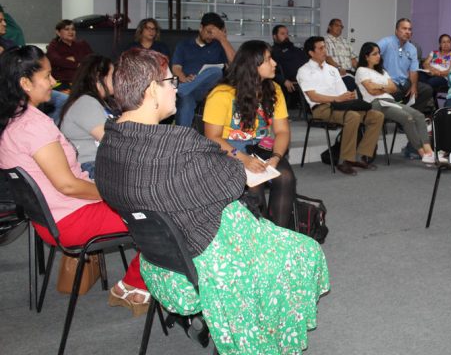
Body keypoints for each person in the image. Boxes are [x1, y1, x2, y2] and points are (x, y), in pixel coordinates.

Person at [95, 48, 329, 354]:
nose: (176, 90)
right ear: (152, 89)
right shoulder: (177, 145)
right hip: (206, 257)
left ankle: (249, 323)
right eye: (171, 82)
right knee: (305, 252)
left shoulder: (110, 143)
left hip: (160, 259)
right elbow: (233, 180)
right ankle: (267, 336)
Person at [0, 46, 149, 315]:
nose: (53, 82)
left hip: (56, 217)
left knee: (149, 204)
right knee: (159, 214)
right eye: (46, 76)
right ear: (25, 83)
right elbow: (67, 185)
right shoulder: (32, 127)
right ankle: (133, 286)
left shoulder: (17, 121)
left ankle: (139, 283)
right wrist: (112, 193)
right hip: (71, 217)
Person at [203, 40, 296, 228]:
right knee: (255, 188)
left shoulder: (274, 89)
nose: (275, 63)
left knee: (285, 177)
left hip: (261, 147)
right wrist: (244, 159)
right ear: (253, 65)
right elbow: (212, 137)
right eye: (269, 60)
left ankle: (277, 237)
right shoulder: (222, 94)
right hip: (230, 150)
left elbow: (282, 131)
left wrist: (276, 158)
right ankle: (255, 241)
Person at [297, 36, 384, 176]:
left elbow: (343, 93)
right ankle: (344, 161)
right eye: (321, 48)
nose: (325, 51)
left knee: (376, 116)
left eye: (325, 47)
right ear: (311, 53)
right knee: (353, 117)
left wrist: (349, 96)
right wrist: (337, 99)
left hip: (341, 106)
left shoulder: (332, 69)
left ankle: (362, 156)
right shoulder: (304, 71)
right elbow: (313, 96)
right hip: (321, 109)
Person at [356, 42, 440, 165]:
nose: (378, 56)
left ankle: (429, 151)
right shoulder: (361, 70)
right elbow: (371, 90)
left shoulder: (382, 71)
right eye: (374, 54)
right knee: (408, 118)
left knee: (419, 116)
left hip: (389, 101)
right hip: (376, 103)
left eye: (379, 53)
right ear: (366, 56)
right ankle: (423, 154)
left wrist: (379, 86)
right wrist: (384, 87)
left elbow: (394, 88)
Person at [59, 55, 118, 178]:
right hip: (90, 165)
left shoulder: (96, 101)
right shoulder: (86, 102)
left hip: (94, 163)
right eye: (113, 75)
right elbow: (111, 139)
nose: (116, 80)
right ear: (98, 76)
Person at [171, 12, 235, 127]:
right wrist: (184, 79)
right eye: (208, 32)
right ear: (201, 28)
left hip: (207, 90)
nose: (211, 36)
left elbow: (235, 65)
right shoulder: (184, 45)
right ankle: (182, 140)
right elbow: (176, 68)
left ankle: (181, 89)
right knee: (186, 104)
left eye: (214, 33)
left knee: (215, 71)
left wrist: (223, 39)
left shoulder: (218, 46)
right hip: (189, 88)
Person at [377, 18, 434, 114]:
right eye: (404, 28)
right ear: (396, 30)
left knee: (427, 90)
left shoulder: (412, 49)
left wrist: (414, 86)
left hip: (404, 82)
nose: (407, 32)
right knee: (397, 93)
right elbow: (371, 56)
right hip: (388, 82)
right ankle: (401, 116)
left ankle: (410, 115)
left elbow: (414, 70)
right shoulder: (385, 42)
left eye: (410, 29)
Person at [46, 19, 94, 90]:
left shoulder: (82, 44)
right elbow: (56, 61)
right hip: (64, 83)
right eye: (67, 29)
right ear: (58, 32)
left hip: (84, 81)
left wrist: (74, 59)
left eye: (73, 29)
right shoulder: (54, 46)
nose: (71, 32)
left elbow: (92, 59)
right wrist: (78, 64)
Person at [271, 24, 308, 109]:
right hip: (291, 81)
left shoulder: (296, 49)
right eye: (282, 34)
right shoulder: (273, 52)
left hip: (307, 77)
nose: (286, 36)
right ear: (275, 37)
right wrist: (284, 81)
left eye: (287, 33)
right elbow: (272, 72)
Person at [419, 33, 451, 101]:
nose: (446, 44)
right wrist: (432, 70)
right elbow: (425, 64)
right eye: (443, 42)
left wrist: (438, 73)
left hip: (444, 77)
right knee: (419, 75)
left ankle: (428, 100)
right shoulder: (434, 53)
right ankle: (421, 99)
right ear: (440, 44)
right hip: (430, 73)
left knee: (431, 81)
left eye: (448, 42)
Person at [324, 18, 357, 91]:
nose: (339, 28)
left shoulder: (345, 41)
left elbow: (353, 60)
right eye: (337, 25)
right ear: (329, 27)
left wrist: (360, 70)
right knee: (351, 84)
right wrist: (338, 68)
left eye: (341, 27)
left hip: (349, 73)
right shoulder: (324, 41)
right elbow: (327, 58)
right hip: (336, 73)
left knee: (364, 82)